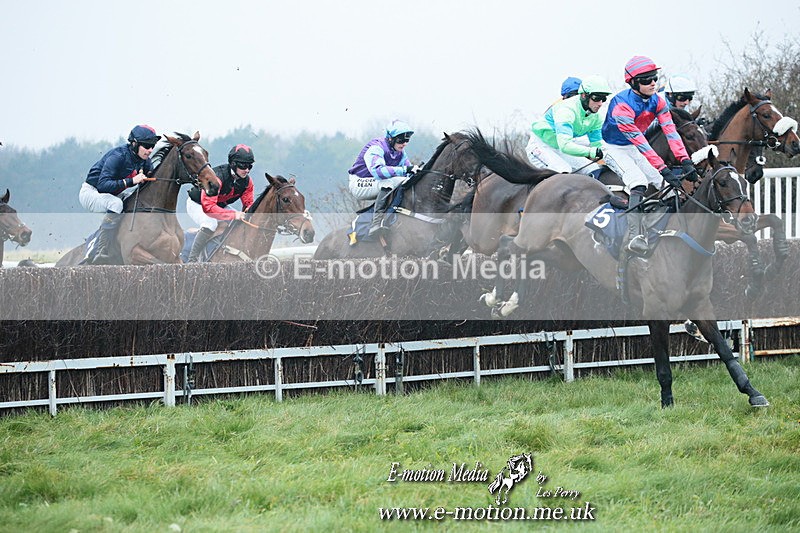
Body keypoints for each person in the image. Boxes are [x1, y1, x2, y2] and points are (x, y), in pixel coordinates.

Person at [601, 56, 696, 256]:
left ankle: (670, 226)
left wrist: (685, 160)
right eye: (646, 80)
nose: (653, 83)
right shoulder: (622, 106)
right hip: (615, 147)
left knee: (664, 185)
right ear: (634, 83)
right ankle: (634, 236)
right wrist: (663, 168)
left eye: (655, 77)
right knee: (638, 182)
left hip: (634, 145)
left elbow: (671, 132)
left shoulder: (658, 102)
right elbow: (641, 143)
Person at [78, 124, 160, 264]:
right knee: (116, 203)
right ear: (134, 144)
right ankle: (101, 249)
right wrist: (131, 181)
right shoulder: (117, 156)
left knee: (134, 200)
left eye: (152, 146)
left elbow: (150, 175)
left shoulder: (144, 159)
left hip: (112, 194)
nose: (150, 150)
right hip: (92, 192)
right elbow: (103, 186)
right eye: (147, 146)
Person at [347, 119, 421, 237]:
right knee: (390, 182)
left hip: (375, 182)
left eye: (407, 140)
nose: (404, 143)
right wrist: (404, 170)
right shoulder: (377, 147)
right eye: (401, 140)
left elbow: (408, 172)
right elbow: (378, 172)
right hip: (359, 183)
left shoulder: (400, 152)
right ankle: (376, 223)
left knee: (404, 181)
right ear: (390, 138)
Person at [526, 75, 612, 175]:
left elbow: (598, 145)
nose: (600, 104)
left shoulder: (595, 117)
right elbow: (565, 145)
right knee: (563, 170)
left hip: (560, 146)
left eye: (603, 99)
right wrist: (591, 152)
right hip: (541, 145)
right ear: (583, 95)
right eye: (596, 98)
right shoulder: (565, 110)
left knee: (593, 169)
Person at [185, 144, 255, 262]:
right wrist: (233, 215)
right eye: (243, 165)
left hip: (218, 205)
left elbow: (248, 205)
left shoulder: (247, 182)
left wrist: (248, 213)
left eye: (250, 166)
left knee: (242, 221)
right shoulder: (218, 178)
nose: (247, 170)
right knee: (210, 223)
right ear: (233, 164)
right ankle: (192, 260)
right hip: (198, 204)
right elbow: (209, 208)